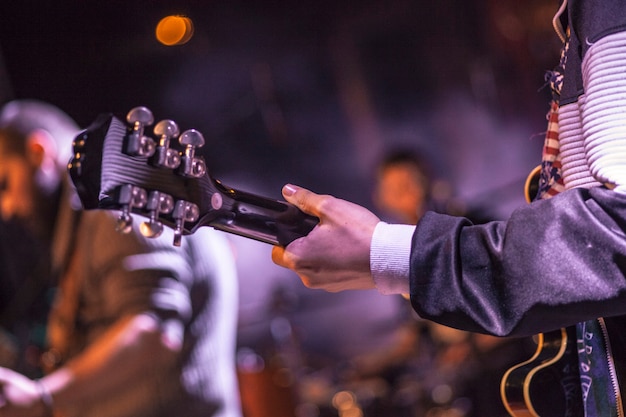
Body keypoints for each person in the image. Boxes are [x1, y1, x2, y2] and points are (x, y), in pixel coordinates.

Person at [272, 1, 626, 415]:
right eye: (392, 188)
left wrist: (392, 254)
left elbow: (615, 228)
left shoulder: (609, 10)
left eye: (408, 183)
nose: (402, 195)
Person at [0, 100, 242, 417]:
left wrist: (43, 397)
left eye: (5, 184)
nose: (6, 208)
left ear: (38, 151)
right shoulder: (88, 219)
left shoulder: (116, 204)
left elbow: (153, 334)